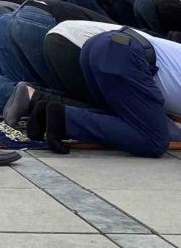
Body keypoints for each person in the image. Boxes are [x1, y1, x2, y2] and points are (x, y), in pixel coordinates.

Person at [28, 25, 181, 157]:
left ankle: (46, 115)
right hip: (125, 54)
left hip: (103, 45)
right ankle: (64, 119)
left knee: (122, 119)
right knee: (155, 141)